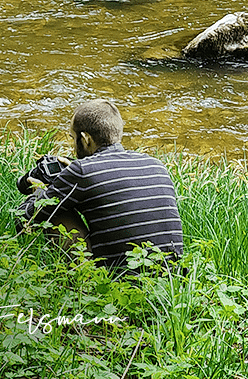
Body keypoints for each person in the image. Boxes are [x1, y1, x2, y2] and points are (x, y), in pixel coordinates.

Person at [16, 99, 183, 271]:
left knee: (54, 209)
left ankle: (85, 282)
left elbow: (24, 218)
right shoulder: (155, 164)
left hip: (120, 283)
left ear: (85, 139)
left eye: (73, 139)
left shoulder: (81, 171)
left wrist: (42, 193)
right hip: (172, 279)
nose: (73, 148)